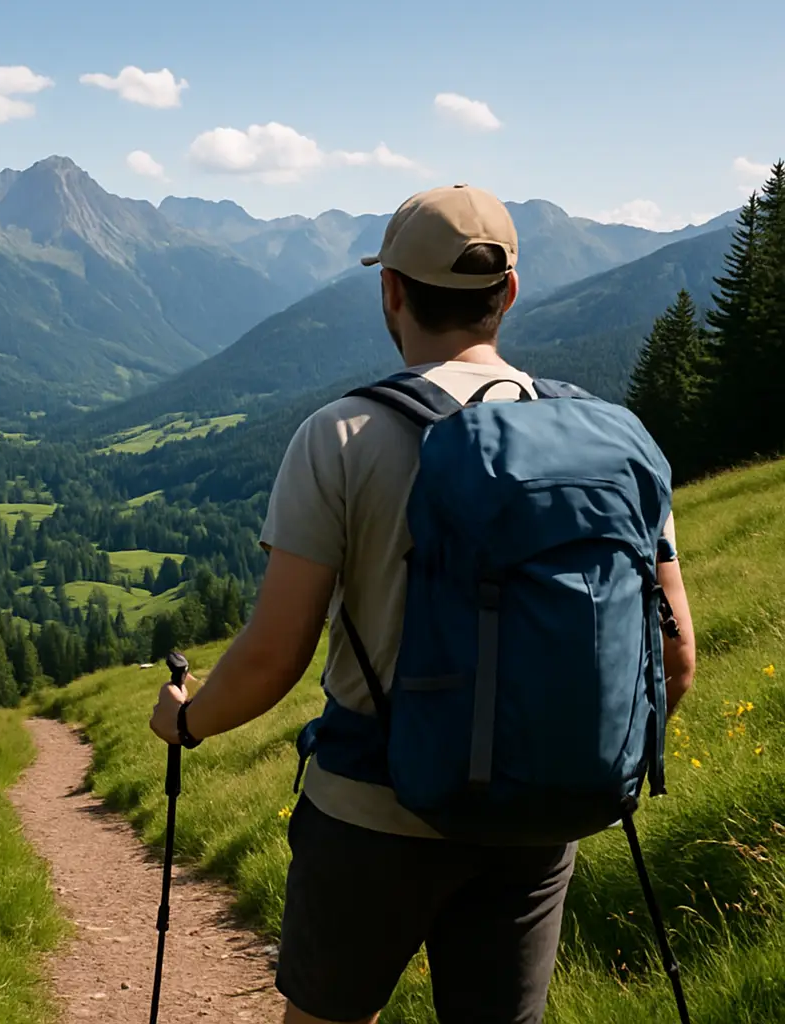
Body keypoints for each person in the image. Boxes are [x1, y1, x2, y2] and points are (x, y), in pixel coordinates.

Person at [148, 184, 697, 1024]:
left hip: (371, 809)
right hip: (537, 819)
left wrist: (186, 722)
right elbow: (674, 655)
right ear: (508, 294)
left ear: (391, 292)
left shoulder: (342, 435)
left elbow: (274, 653)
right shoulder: (610, 438)